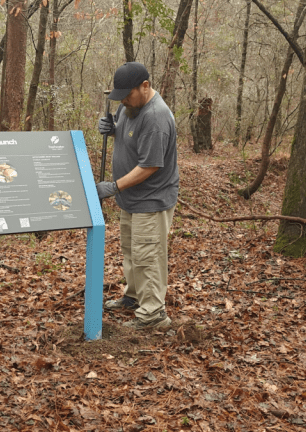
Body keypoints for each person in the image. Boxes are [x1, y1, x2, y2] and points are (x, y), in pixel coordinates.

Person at [96, 62, 179, 330]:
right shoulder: (130, 103)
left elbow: (149, 166)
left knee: (148, 256)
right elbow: (129, 132)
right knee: (132, 251)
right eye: (119, 98)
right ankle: (134, 297)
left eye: (127, 96)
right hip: (132, 199)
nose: (123, 102)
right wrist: (113, 128)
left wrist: (114, 186)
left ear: (145, 87)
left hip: (150, 200)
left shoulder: (156, 118)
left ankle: (153, 314)